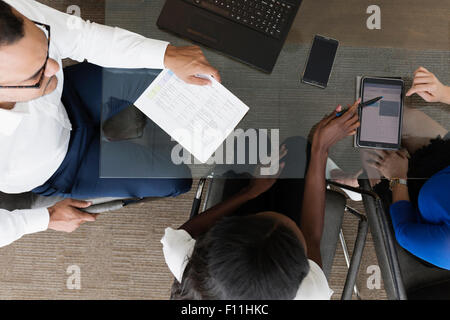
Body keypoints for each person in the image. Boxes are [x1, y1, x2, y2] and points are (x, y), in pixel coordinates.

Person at [0, 0, 221, 247]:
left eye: (46, 46)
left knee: (170, 75)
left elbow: (83, 36)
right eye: (35, 74)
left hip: (68, 97)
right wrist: (45, 218)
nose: (54, 65)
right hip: (61, 166)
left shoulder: (9, 11)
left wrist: (167, 54)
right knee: (176, 180)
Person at [161, 101, 360, 299]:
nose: (274, 217)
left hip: (239, 230)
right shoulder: (310, 293)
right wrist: (320, 149)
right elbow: (310, 236)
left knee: (250, 140)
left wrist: (250, 191)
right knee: (298, 148)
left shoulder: (182, 258)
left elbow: (184, 233)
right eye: (289, 229)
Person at [365, 67, 450, 270]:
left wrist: (398, 177)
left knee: (367, 136)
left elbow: (403, 232)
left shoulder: (445, 246)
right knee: (387, 109)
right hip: (444, 166)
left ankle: (361, 185)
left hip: (413, 206)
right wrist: (443, 92)